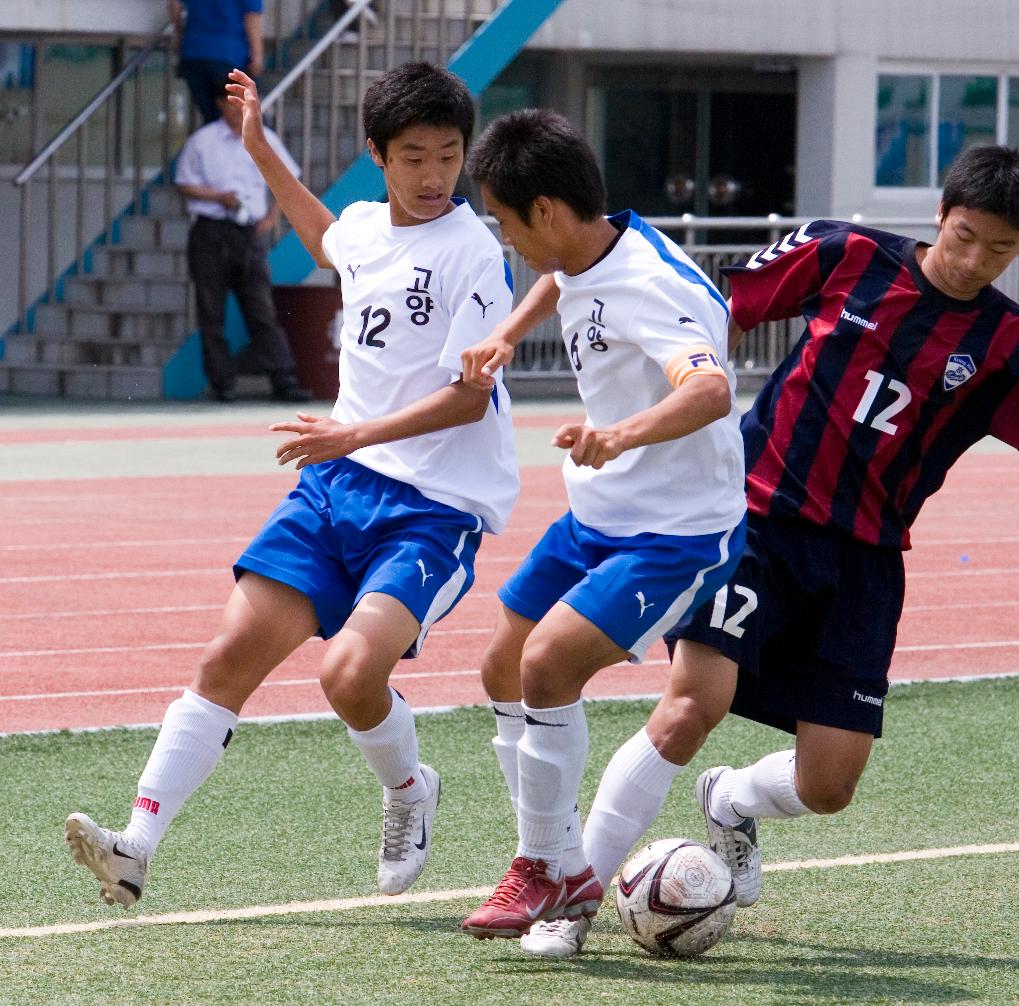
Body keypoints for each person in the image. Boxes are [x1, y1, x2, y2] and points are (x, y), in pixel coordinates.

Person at [500, 144, 1019, 957]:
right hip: (755, 523)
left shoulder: (1013, 347)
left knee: (829, 785)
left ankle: (730, 800)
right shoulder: (843, 254)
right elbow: (713, 309)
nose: (974, 259)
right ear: (941, 216)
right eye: (965, 235)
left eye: (1000, 249)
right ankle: (572, 905)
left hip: (865, 565)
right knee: (692, 705)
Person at [64, 62, 519, 909]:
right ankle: (137, 847)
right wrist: (258, 146)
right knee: (227, 656)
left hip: (432, 508)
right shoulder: (366, 227)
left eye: (450, 156)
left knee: (348, 676)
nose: (433, 176)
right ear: (376, 156)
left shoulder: (474, 253)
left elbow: (469, 394)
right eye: (414, 156)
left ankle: (410, 789)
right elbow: (323, 235)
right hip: (336, 486)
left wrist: (355, 432)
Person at [453, 109, 748, 943]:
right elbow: (562, 280)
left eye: (506, 223)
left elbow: (711, 390)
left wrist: (616, 434)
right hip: (603, 513)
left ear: (544, 210)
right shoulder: (594, 241)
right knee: (503, 663)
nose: (506, 241)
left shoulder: (650, 286)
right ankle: (552, 854)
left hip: (680, 531)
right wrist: (507, 333)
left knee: (547, 663)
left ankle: (549, 866)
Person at [174, 81, 310, 403]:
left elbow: (287, 178)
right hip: (211, 228)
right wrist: (218, 197)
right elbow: (184, 184)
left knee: (261, 308)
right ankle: (223, 383)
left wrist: (273, 217)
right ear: (220, 103)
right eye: (231, 101)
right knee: (211, 310)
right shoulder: (203, 141)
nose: (238, 108)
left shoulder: (265, 138)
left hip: (248, 232)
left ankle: (284, 378)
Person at [168, 0, 264, 125]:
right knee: (236, 117)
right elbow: (252, 16)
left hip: (193, 53)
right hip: (228, 53)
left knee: (210, 115)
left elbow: (173, 4)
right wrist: (257, 55)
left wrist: (179, 33)